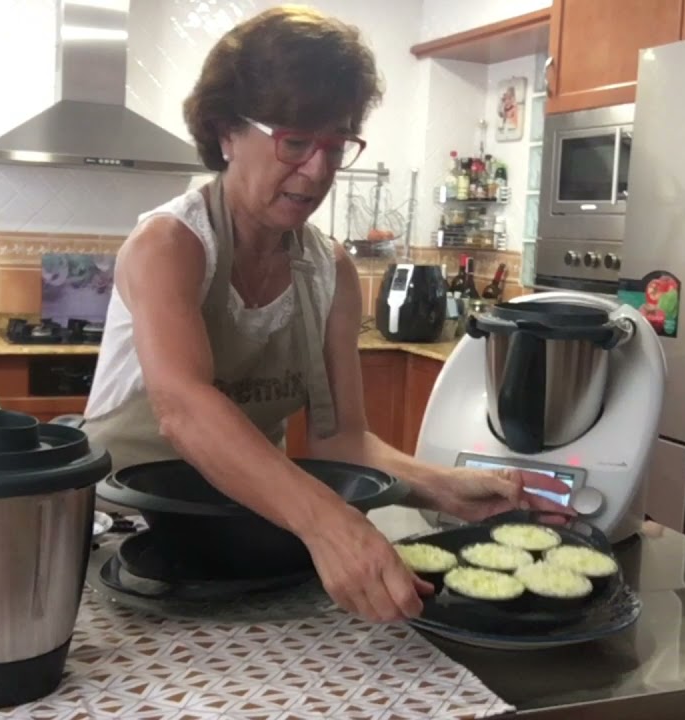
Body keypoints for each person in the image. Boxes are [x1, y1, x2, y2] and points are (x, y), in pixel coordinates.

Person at [83, 5, 570, 624]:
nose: (318, 170)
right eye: (294, 142)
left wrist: (441, 485)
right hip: (127, 547)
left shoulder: (328, 270)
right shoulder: (171, 246)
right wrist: (329, 524)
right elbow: (185, 411)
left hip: (253, 540)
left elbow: (342, 436)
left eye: (336, 145)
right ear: (226, 130)